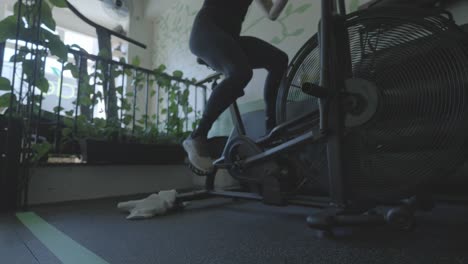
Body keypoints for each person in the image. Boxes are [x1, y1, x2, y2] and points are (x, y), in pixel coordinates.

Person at [183, 0, 290, 173]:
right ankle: (197, 136)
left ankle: (272, 130)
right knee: (241, 72)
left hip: (230, 38)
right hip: (206, 31)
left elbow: (272, 13)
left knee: (279, 60)